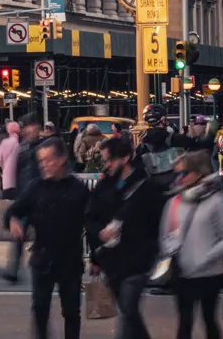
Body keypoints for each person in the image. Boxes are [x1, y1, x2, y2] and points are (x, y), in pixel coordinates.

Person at [4, 138, 91, 339]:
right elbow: (14, 210)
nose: (43, 165)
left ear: (62, 160)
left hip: (69, 259)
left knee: (71, 311)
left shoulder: (78, 190)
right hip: (42, 258)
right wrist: (14, 221)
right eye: (40, 161)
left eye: (48, 160)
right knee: (40, 308)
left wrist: (97, 257)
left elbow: (92, 223)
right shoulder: (36, 187)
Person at [86, 135, 165, 339]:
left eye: (110, 160)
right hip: (111, 260)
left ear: (126, 158)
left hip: (137, 260)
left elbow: (156, 223)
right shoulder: (105, 187)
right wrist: (97, 249)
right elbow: (91, 218)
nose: (107, 165)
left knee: (128, 309)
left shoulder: (145, 186)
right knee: (128, 311)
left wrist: (150, 252)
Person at [160, 151, 223, 339]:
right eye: (178, 174)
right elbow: (165, 235)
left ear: (199, 173)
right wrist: (169, 251)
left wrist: (207, 257)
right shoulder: (174, 201)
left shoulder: (215, 201)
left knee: (209, 320)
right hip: (183, 273)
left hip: (210, 273)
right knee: (185, 323)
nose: (181, 178)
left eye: (186, 173)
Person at [0, 114, 43, 283]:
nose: (28, 130)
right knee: (18, 236)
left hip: (41, 198)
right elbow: (19, 173)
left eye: (31, 126)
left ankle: (42, 266)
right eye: (26, 127)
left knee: (44, 234)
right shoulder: (23, 148)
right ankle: (14, 270)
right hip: (26, 197)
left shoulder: (44, 146)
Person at [0, 121, 21, 199]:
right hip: (18, 179)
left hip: (7, 179)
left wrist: (4, 167)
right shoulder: (19, 143)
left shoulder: (5, 142)